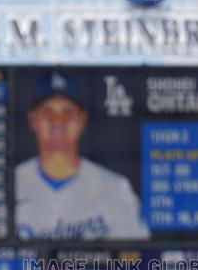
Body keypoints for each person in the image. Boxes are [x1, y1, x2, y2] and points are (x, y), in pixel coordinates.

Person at [15, 71, 149, 240]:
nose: (58, 120)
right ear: (33, 119)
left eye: (68, 111)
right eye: (48, 111)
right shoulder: (9, 185)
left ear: (82, 120)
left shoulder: (115, 189)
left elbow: (138, 253)